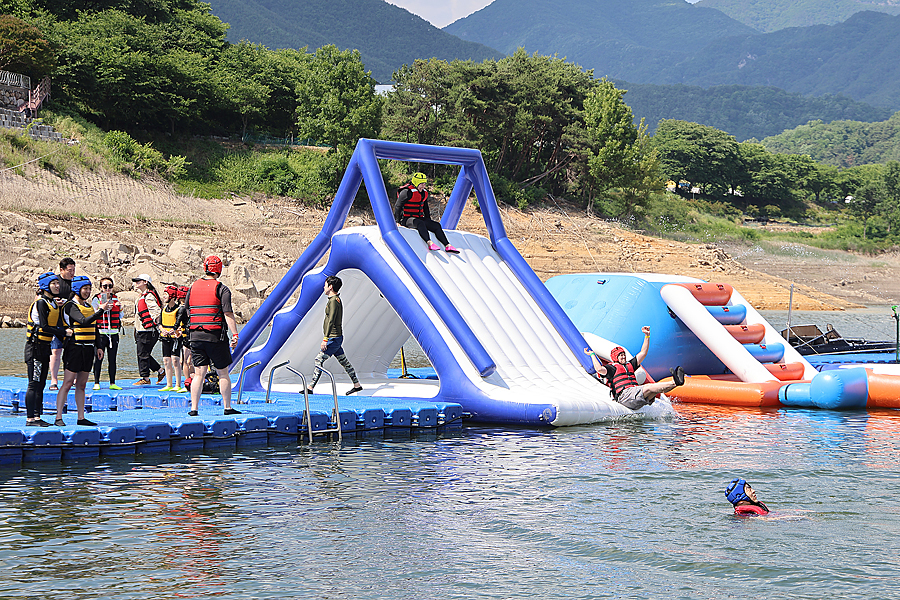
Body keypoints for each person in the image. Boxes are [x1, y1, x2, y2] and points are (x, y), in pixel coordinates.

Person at [185, 255, 241, 417]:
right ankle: (227, 407)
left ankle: (194, 409)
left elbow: (188, 309)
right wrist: (235, 334)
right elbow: (228, 313)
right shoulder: (222, 289)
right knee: (223, 373)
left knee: (199, 373)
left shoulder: (193, 287)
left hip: (195, 336)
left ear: (205, 268)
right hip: (215, 337)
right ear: (219, 270)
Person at [54, 275, 111, 427]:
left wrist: (98, 346)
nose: (87, 291)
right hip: (74, 348)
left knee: (82, 384)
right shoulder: (70, 306)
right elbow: (83, 321)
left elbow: (94, 327)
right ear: (76, 289)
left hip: (88, 348)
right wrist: (101, 310)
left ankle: (81, 417)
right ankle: (58, 417)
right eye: (85, 289)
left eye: (89, 289)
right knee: (67, 383)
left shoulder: (88, 306)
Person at [585, 326, 685, 410]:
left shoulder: (630, 365)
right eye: (621, 355)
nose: (623, 357)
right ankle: (674, 382)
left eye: (624, 354)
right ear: (615, 357)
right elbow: (599, 369)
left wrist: (647, 336)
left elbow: (643, 353)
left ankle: (677, 383)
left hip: (634, 394)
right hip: (624, 397)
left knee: (655, 391)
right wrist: (592, 354)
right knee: (649, 386)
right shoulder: (612, 368)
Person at [23, 272, 69, 426]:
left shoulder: (54, 303)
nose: (57, 286)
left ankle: (37, 417)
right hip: (34, 348)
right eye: (53, 283)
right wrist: (64, 332)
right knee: (34, 383)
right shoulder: (41, 303)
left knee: (42, 383)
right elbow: (44, 326)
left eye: (58, 283)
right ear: (45, 286)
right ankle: (30, 418)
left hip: (45, 347)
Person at [305, 275, 363, 396]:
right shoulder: (334, 300)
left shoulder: (333, 302)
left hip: (333, 337)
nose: (323, 287)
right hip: (336, 337)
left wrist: (325, 339)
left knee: (318, 359)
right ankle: (357, 385)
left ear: (330, 287)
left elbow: (331, 320)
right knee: (344, 361)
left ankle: (310, 388)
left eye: (325, 285)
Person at [392, 172, 460, 254]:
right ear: (416, 183)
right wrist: (397, 221)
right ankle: (429, 243)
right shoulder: (407, 192)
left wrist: (429, 221)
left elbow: (425, 208)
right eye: (422, 184)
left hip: (418, 217)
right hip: (406, 219)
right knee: (420, 223)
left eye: (424, 184)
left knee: (436, 225)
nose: (424, 186)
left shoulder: (424, 193)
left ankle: (448, 245)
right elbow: (398, 206)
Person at [132, 273, 165, 386]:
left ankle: (145, 378)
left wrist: (159, 325)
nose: (136, 283)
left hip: (148, 331)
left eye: (139, 280)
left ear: (146, 282)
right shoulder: (142, 296)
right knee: (144, 354)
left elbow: (155, 311)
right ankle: (160, 371)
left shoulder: (149, 296)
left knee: (142, 354)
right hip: (141, 330)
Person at [48, 257, 76, 391]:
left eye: (74, 270)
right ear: (62, 270)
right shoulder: (55, 282)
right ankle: (53, 380)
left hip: (71, 323)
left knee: (73, 352)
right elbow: (42, 297)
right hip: (56, 323)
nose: (72, 273)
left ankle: (72, 378)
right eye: (70, 270)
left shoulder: (76, 283)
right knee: (56, 351)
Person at [91, 277, 123, 391]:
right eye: (105, 286)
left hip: (113, 333)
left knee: (112, 359)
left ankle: (112, 382)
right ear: (100, 288)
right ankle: (96, 382)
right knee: (98, 358)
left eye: (110, 286)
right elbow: (93, 314)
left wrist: (119, 308)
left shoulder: (115, 299)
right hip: (100, 333)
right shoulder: (96, 299)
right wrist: (102, 308)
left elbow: (120, 316)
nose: (108, 288)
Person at [159, 284, 186, 392]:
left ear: (172, 297)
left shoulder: (179, 309)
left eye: (166, 294)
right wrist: (162, 329)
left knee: (175, 360)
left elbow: (182, 323)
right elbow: (159, 323)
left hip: (175, 338)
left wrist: (176, 330)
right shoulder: (163, 309)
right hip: (165, 337)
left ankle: (178, 384)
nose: (164, 296)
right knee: (166, 360)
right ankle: (169, 384)